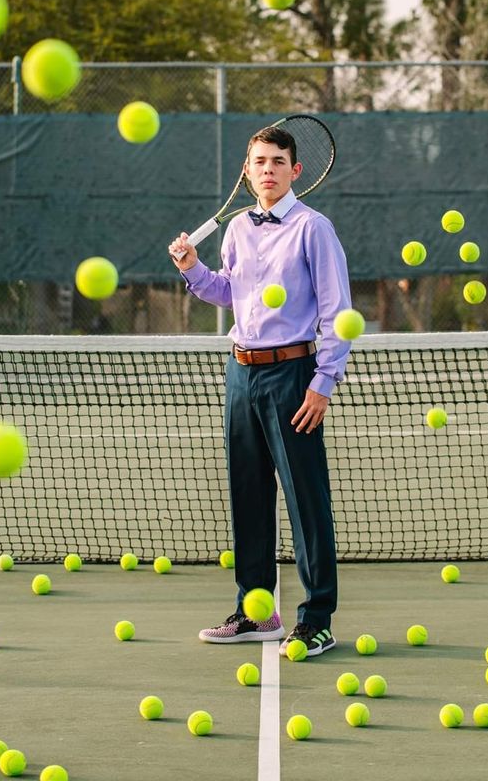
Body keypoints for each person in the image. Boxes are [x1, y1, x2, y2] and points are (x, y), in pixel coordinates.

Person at [168, 123, 352, 657]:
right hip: (241, 374)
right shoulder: (237, 232)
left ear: (295, 171)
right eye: (258, 161)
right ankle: (257, 611)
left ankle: (318, 618)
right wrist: (191, 268)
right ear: (246, 172)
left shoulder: (314, 229)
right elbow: (230, 291)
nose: (267, 170)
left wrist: (323, 383)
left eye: (277, 161)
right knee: (247, 496)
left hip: (294, 376)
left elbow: (338, 313)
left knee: (305, 500)